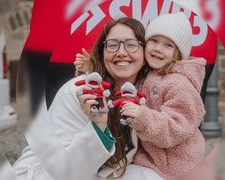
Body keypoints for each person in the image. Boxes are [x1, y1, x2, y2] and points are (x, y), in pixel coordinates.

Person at [0, 17, 163, 180]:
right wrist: (98, 126)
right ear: (102, 53)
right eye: (112, 45)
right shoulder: (79, 92)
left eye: (131, 45)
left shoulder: (145, 94)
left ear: (144, 54)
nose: (121, 52)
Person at [74, 12, 207, 180]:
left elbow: (176, 127)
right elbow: (119, 86)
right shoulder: (150, 74)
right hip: (149, 158)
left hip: (174, 165)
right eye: (154, 41)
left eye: (168, 45)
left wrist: (142, 117)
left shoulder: (180, 84)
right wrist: (93, 68)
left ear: (178, 54)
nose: (158, 48)